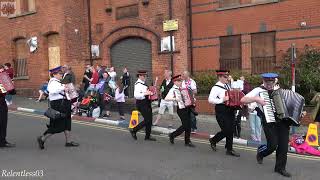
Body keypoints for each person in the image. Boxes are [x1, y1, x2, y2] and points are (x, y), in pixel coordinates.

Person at [240, 73, 292, 177]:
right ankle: (261, 153)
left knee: (283, 147)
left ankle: (280, 168)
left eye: (271, 82)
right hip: (269, 121)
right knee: (272, 145)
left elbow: (289, 104)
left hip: (283, 122)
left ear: (274, 81)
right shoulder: (259, 90)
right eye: (267, 82)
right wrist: (256, 99)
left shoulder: (280, 90)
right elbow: (243, 100)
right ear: (263, 81)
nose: (269, 85)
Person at [37, 66, 79, 150]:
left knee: (67, 123)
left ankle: (68, 142)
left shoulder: (58, 81)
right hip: (59, 105)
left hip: (64, 104)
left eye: (61, 73)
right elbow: (52, 91)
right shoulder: (53, 82)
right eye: (60, 73)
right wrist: (63, 88)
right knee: (57, 125)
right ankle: (42, 139)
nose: (61, 75)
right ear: (54, 74)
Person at [208, 70, 240, 157]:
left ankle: (229, 149)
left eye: (227, 76)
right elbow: (210, 100)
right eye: (225, 77)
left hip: (230, 109)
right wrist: (222, 100)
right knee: (227, 130)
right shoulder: (216, 87)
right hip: (221, 110)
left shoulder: (227, 85)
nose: (227, 78)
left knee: (231, 129)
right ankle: (214, 140)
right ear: (220, 77)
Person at [166, 75, 195, 147]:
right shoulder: (173, 90)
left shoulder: (182, 88)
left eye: (180, 81)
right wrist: (175, 99)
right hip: (181, 109)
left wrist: (192, 99)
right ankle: (173, 135)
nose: (180, 82)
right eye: (178, 81)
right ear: (174, 82)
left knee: (188, 125)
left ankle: (187, 141)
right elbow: (166, 98)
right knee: (186, 125)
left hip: (187, 108)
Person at [129, 70, 156, 141]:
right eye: (144, 76)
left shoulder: (143, 83)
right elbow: (136, 95)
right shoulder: (138, 84)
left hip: (146, 103)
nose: (145, 77)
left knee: (150, 120)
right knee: (147, 120)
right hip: (142, 104)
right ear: (140, 76)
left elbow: (145, 92)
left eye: (146, 76)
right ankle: (134, 130)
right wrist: (145, 93)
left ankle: (147, 136)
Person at [0, 64, 15, 148]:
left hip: (2, 104)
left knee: (3, 123)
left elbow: (12, 92)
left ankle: (2, 141)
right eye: (1, 71)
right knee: (2, 122)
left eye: (3, 71)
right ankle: (2, 142)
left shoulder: (4, 78)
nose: (3, 72)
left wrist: (10, 85)